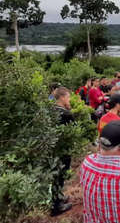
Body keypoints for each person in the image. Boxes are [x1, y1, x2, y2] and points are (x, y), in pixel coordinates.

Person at [51, 87, 74, 215]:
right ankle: (56, 206)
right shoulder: (66, 114)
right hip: (63, 150)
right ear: (62, 97)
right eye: (68, 97)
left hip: (53, 149)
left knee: (56, 176)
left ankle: (58, 197)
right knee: (60, 176)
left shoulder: (50, 110)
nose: (69, 99)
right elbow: (74, 129)